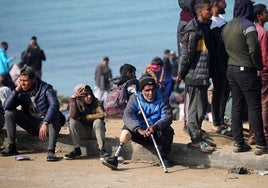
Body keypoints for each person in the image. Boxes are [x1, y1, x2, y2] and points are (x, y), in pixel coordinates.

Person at [221, 0, 267, 155]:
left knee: (237, 105)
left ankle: (238, 143)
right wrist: (259, 67)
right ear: (247, 8)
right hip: (246, 69)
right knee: (255, 106)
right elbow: (254, 50)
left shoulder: (227, 26)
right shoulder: (248, 25)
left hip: (231, 69)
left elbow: (223, 49)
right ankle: (261, 144)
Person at [102, 76, 174, 170]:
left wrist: (155, 127)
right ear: (141, 90)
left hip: (155, 132)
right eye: (147, 90)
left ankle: (164, 157)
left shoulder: (163, 98)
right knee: (126, 130)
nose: (151, 93)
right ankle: (115, 158)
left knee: (169, 130)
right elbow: (127, 115)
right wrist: (139, 129)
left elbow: (168, 117)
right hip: (139, 132)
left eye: (152, 90)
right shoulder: (135, 98)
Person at [0, 66, 64, 161]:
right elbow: (6, 106)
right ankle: (11, 147)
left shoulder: (45, 88)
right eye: (20, 80)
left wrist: (45, 122)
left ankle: (51, 151)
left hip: (46, 125)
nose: (22, 83)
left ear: (33, 80)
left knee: (55, 113)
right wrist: (17, 90)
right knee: (9, 112)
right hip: (32, 123)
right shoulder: (21, 90)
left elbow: (55, 105)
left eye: (25, 81)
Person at [178, 0, 215, 152]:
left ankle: (198, 134)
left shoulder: (204, 27)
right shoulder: (193, 30)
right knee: (195, 108)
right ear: (199, 11)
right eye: (208, 9)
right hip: (194, 75)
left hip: (203, 74)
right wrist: (181, 74)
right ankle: (195, 140)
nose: (211, 12)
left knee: (201, 108)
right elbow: (186, 56)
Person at [64, 84, 108, 160]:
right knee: (72, 121)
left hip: (94, 132)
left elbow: (101, 115)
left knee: (98, 122)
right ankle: (77, 149)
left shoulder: (96, 101)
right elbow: (73, 116)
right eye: (86, 95)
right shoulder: (76, 103)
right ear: (80, 96)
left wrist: (84, 117)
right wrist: (73, 99)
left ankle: (102, 151)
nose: (89, 96)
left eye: (90, 94)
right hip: (82, 133)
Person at [210, 0, 232, 136]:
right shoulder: (211, 23)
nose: (226, 5)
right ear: (215, 3)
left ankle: (221, 119)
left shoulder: (222, 19)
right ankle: (216, 122)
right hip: (218, 63)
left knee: (225, 92)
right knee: (218, 93)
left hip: (227, 62)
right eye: (223, 2)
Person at [248, 3, 268, 145]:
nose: (267, 14)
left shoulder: (250, 29)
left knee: (253, 104)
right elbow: (264, 55)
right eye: (265, 12)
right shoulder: (263, 32)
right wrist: (265, 69)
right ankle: (265, 134)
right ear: (259, 16)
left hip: (251, 71)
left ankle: (253, 134)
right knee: (265, 103)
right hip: (263, 71)